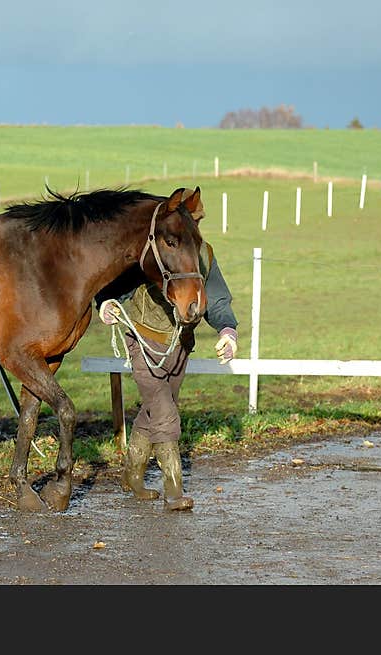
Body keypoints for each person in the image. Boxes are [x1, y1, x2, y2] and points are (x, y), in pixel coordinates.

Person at [97, 193, 238, 511]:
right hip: (143, 340)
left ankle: (131, 476)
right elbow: (112, 285)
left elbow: (216, 299)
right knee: (163, 411)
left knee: (157, 409)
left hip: (180, 344)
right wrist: (106, 304)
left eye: (196, 221)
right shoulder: (154, 250)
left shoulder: (204, 254)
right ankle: (174, 491)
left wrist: (228, 331)